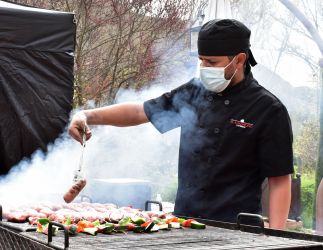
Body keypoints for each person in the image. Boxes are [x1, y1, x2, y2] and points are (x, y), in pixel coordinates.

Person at [68, 19, 293, 229]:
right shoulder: (195, 92)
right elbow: (140, 111)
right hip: (186, 225)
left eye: (212, 62)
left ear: (240, 59)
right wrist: (86, 115)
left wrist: (275, 238)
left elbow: (280, 180)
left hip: (238, 231)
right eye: (202, 61)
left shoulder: (268, 109)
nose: (205, 67)